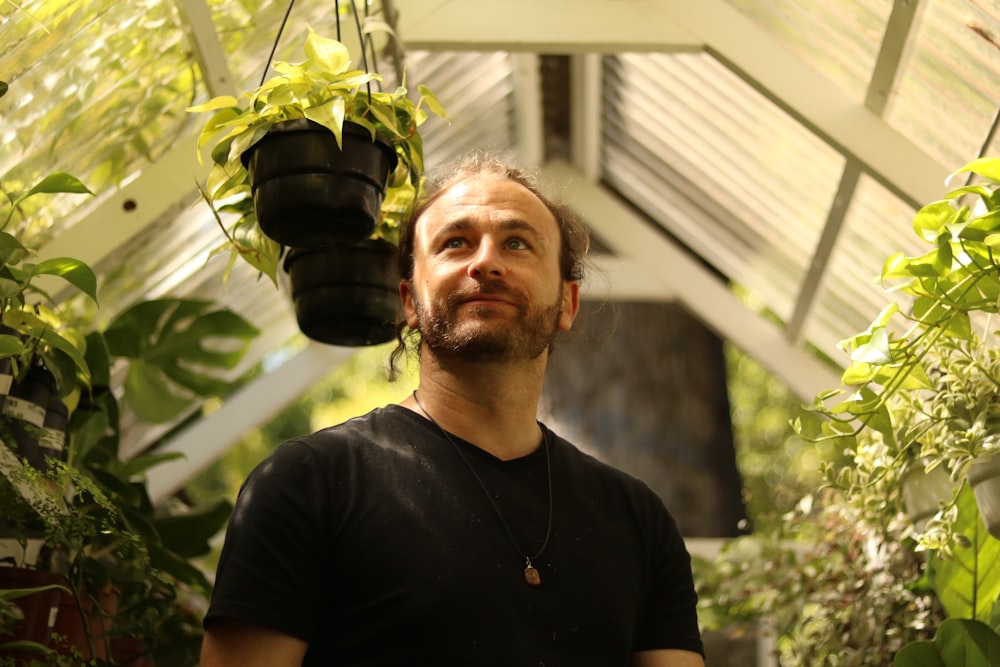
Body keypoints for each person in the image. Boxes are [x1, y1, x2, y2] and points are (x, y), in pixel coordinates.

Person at [200, 154, 705, 667]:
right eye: (454, 243)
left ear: (568, 304)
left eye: (517, 243)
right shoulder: (307, 483)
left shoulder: (638, 520)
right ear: (410, 302)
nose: (485, 262)